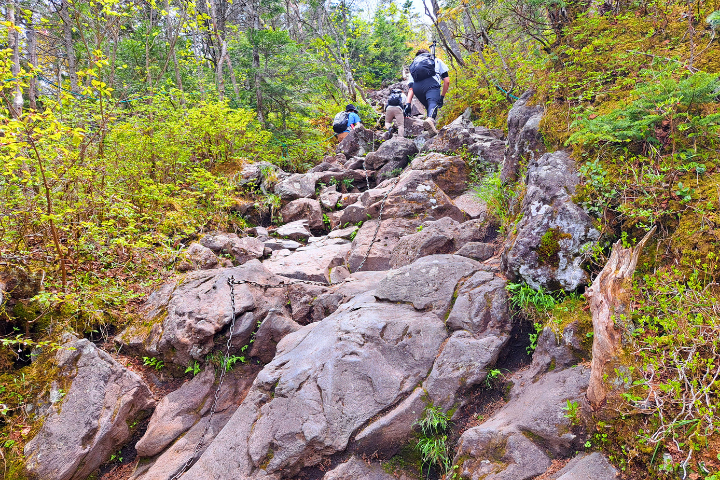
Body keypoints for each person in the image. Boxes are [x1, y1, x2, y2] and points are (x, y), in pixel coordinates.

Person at [406, 48, 449, 135]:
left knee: (429, 107)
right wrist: (442, 97)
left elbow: (411, 88)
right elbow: (447, 81)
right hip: (431, 84)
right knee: (433, 103)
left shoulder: (414, 65)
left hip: (417, 88)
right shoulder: (435, 60)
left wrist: (408, 104)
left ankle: (429, 130)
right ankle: (429, 121)